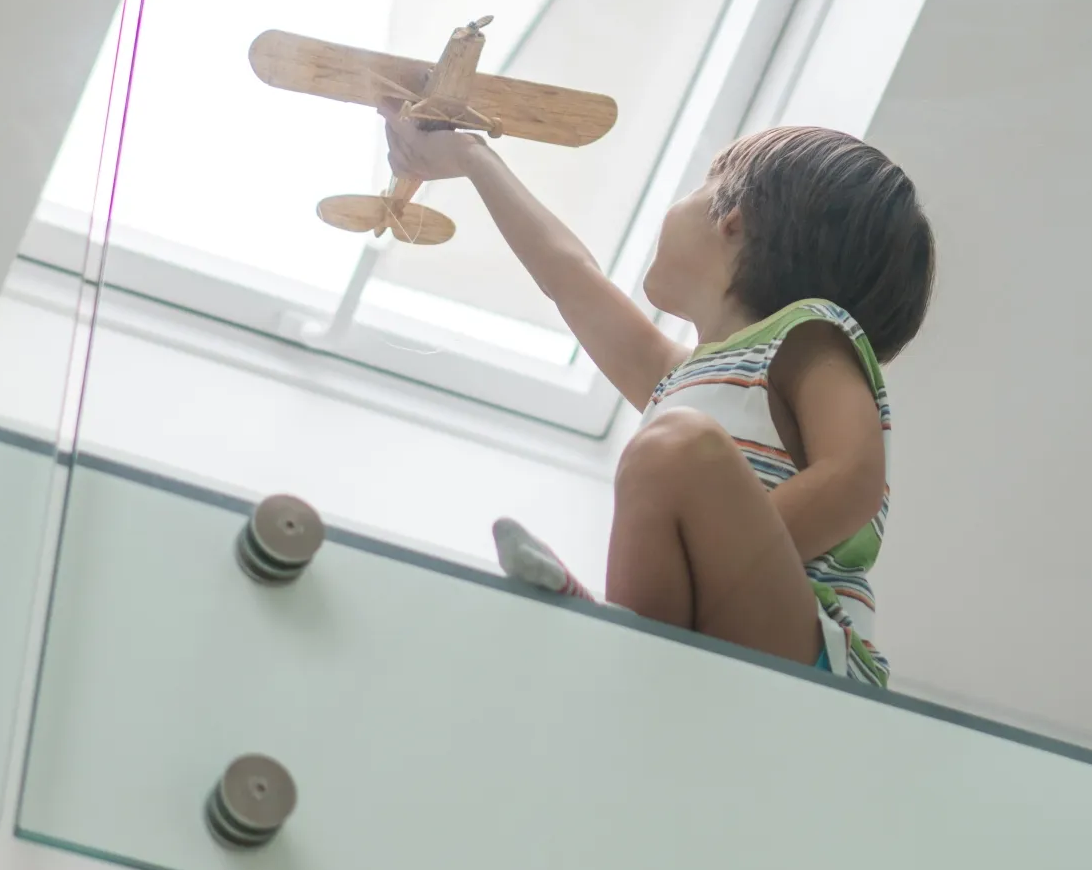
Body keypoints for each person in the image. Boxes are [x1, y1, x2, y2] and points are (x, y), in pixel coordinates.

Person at [380, 113, 935, 684]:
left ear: (732, 220)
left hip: (808, 651)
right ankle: (632, 654)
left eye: (703, 186)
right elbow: (569, 276)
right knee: (671, 445)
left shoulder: (812, 334)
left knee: (673, 445)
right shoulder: (683, 381)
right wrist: (473, 158)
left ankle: (617, 636)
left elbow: (855, 479)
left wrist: (719, 552)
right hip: (722, 652)